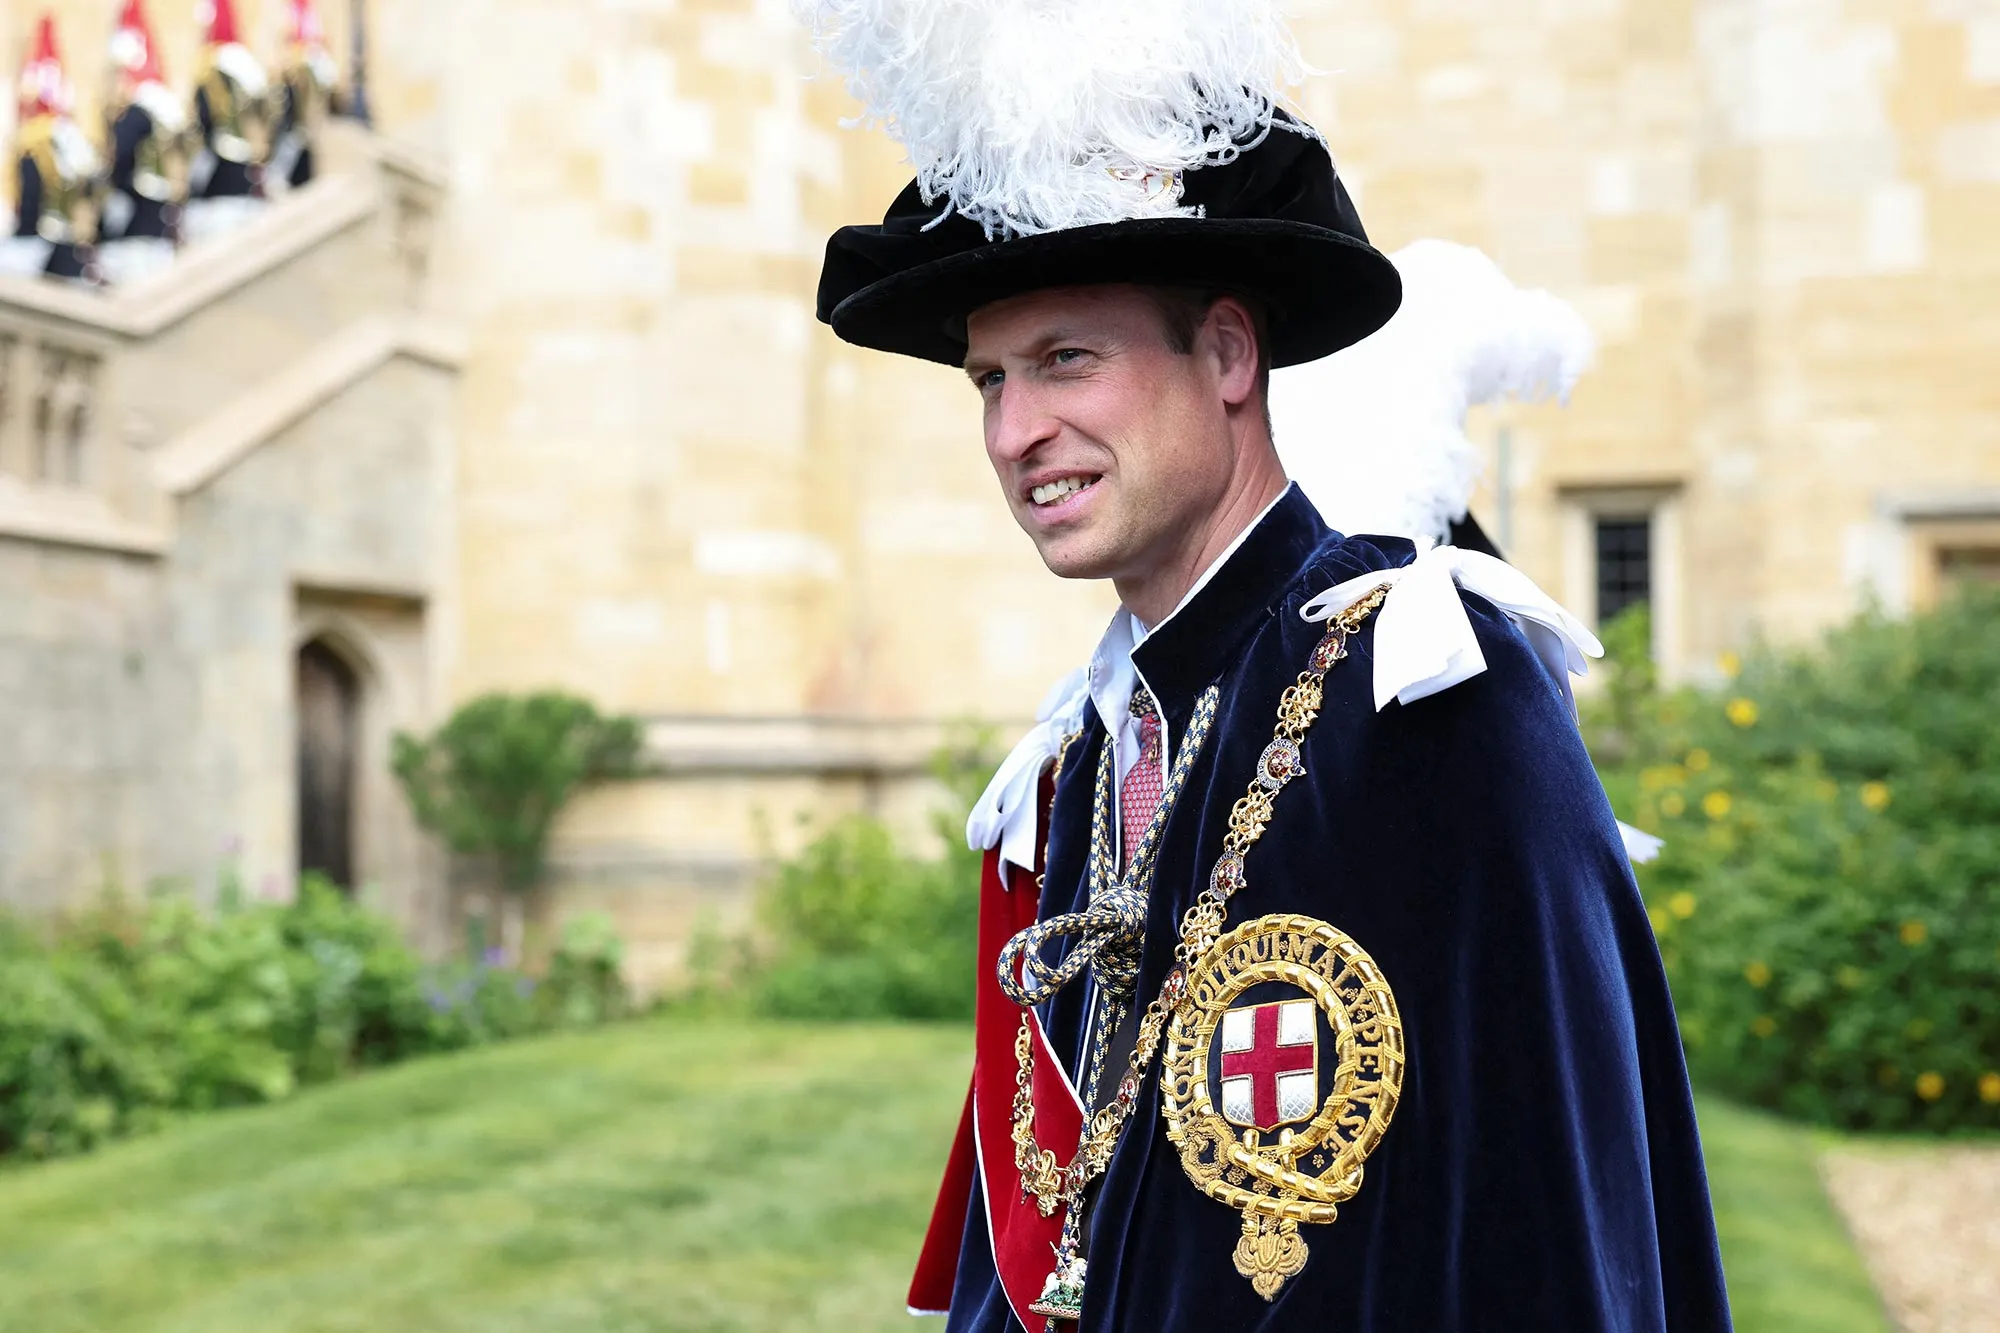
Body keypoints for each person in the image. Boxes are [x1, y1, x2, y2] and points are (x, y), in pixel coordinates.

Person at [795, 1, 1732, 1330]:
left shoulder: (1430, 692)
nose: (1017, 429)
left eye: (1068, 359)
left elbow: (1560, 1224)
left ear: (1228, 355)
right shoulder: (1077, 764)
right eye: (990, 380)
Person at [4, 13, 99, 284]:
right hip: (72, 244)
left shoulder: (35, 139)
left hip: (38, 244)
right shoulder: (72, 138)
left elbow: (30, 193)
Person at [98, 0, 186, 286]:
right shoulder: (163, 110)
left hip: (136, 216)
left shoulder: (136, 114)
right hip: (163, 213)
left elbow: (123, 158)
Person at [184, 0, 269, 241]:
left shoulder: (212, 72)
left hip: (218, 182)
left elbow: (205, 125)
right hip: (251, 178)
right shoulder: (252, 72)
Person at [268, 0, 337, 193]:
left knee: (305, 134)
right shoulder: (284, 10)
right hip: (293, 80)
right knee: (292, 131)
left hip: (308, 79)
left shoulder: (313, 11)